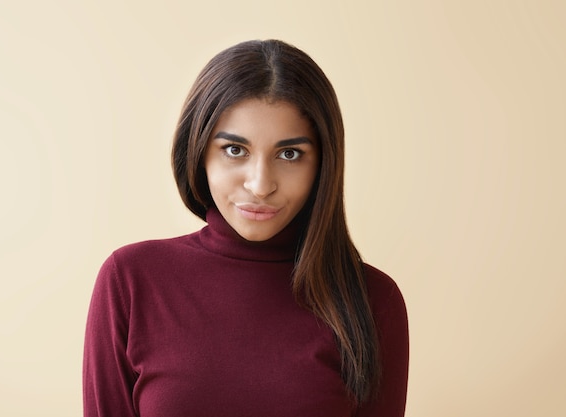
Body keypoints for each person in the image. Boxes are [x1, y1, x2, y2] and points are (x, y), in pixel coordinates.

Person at [83, 39, 409, 417]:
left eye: (289, 154)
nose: (260, 184)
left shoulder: (372, 301)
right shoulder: (130, 281)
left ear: (322, 164)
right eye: (235, 150)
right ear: (199, 150)